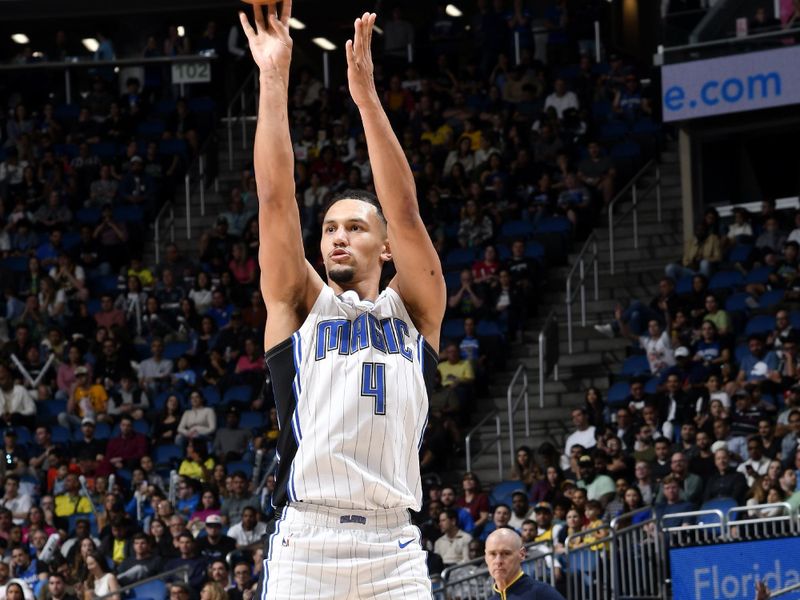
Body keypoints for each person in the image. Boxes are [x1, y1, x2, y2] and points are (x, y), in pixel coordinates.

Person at [240, 6, 445, 599]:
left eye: (355, 227)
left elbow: (404, 211)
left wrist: (366, 99)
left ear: (385, 249)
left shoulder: (415, 311)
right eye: (330, 227)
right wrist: (273, 78)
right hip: (309, 541)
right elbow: (276, 199)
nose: (337, 235)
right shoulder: (300, 305)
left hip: (395, 545)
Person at [485, 528, 565, 600]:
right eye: (492, 554)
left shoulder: (541, 592)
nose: (498, 561)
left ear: (522, 554)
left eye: (506, 553)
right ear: (485, 557)